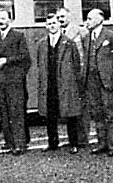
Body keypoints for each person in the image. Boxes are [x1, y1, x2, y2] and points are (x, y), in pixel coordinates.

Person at [35, 12, 83, 153]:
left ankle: (73, 143)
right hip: (49, 83)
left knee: (70, 115)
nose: (52, 26)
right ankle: (52, 143)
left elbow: (76, 64)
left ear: (59, 25)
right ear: (46, 26)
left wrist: (72, 81)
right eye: (49, 24)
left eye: (54, 23)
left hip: (65, 84)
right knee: (50, 114)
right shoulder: (42, 44)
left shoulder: (69, 43)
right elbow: (40, 64)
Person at [82, 8, 113, 156]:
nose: (87, 21)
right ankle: (102, 144)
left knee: (110, 114)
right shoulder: (87, 37)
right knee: (97, 113)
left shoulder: (111, 36)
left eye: (89, 19)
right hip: (92, 81)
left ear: (99, 20)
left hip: (107, 81)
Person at [0, 8, 31, 155]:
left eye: (3, 18)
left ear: (10, 20)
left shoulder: (18, 36)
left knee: (16, 113)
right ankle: (9, 143)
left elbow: (25, 58)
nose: (1, 21)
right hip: (0, 82)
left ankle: (20, 144)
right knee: (4, 113)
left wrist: (6, 61)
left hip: (14, 82)